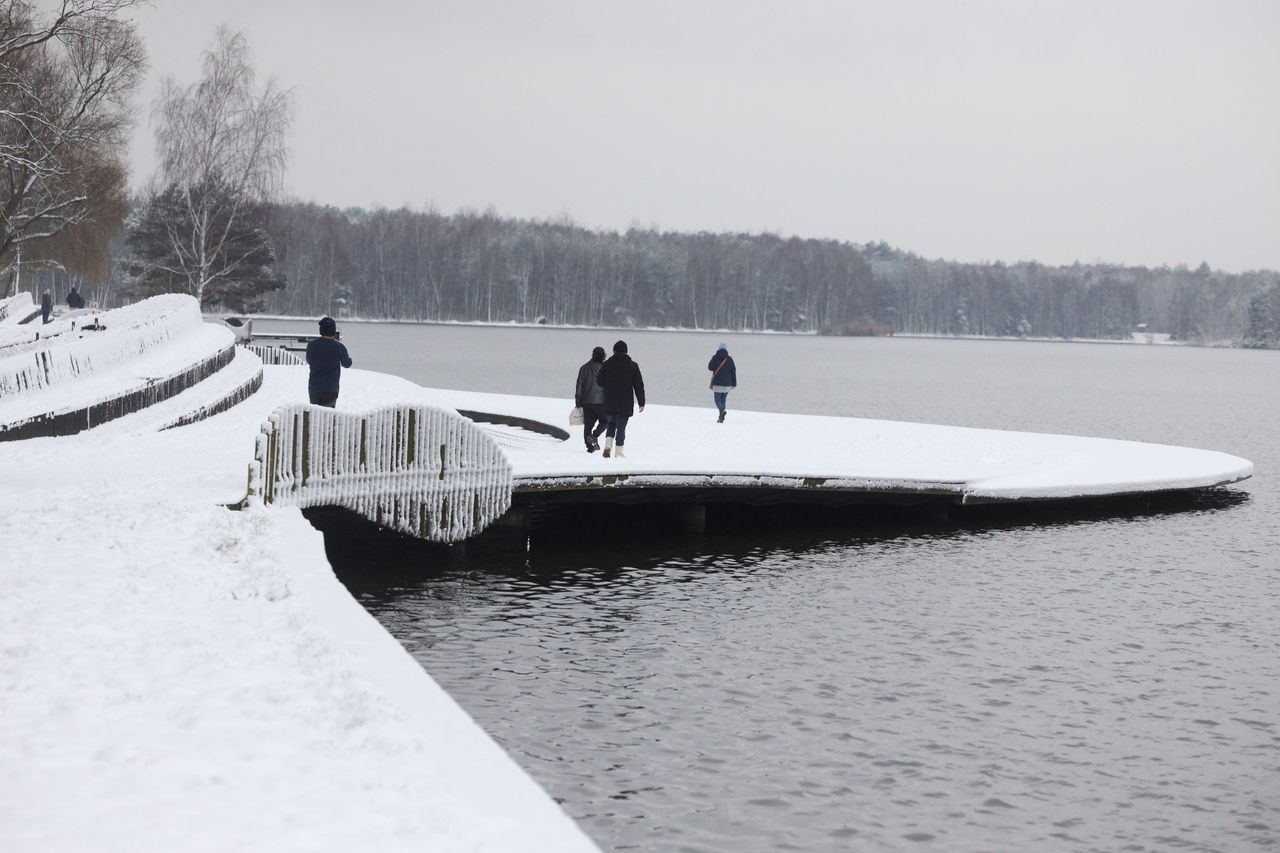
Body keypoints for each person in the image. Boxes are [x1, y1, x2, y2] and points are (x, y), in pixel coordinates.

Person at [596, 339, 645, 458]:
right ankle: (618, 452)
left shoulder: (607, 364)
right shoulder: (633, 366)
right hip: (625, 402)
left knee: (611, 424)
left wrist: (609, 384)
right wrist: (641, 402)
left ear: (614, 351)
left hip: (610, 401)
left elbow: (599, 381)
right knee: (621, 428)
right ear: (626, 351)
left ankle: (607, 447)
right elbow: (638, 385)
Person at [305, 316, 352, 408]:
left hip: (314, 388)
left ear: (321, 330)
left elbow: (309, 360)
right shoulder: (339, 347)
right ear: (333, 331)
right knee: (328, 418)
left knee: (315, 416)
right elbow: (347, 364)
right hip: (331, 389)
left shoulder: (312, 345)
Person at [574, 346, 609, 452]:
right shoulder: (605, 369)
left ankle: (590, 448)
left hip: (586, 401)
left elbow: (579, 385)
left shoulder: (584, 368)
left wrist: (578, 400)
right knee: (605, 421)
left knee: (588, 425)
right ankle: (594, 436)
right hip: (601, 402)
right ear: (603, 356)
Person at [707, 342, 737, 423]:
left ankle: (721, 412)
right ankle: (721, 417)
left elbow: (710, 367)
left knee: (717, 400)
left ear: (718, 348)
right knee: (723, 399)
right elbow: (733, 372)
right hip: (727, 384)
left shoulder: (715, 357)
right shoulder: (730, 359)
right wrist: (734, 384)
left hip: (717, 383)